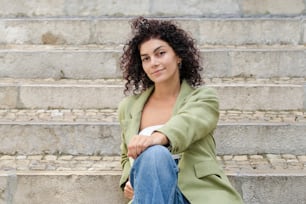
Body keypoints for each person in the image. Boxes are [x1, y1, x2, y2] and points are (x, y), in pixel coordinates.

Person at [118, 16, 243, 204]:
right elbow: (125, 155)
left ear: (178, 56)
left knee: (156, 153)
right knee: (152, 158)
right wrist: (129, 179)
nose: (153, 62)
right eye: (146, 58)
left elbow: (188, 123)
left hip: (196, 195)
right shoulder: (129, 107)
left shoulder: (203, 98)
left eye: (160, 53)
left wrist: (157, 138)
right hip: (151, 192)